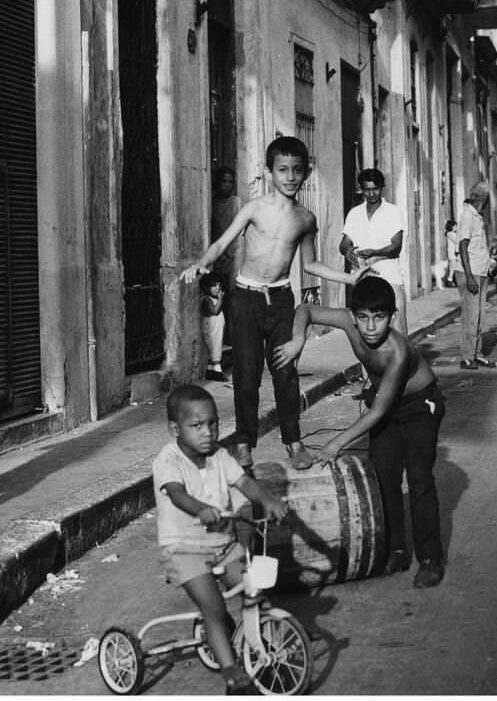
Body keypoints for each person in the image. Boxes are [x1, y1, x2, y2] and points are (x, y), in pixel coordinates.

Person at [181, 137, 365, 471]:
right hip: (245, 299)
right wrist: (201, 263)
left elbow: (309, 264)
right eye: (283, 170)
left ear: (305, 173)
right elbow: (223, 241)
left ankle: (294, 441)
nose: (290, 177)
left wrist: (348, 279)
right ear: (270, 172)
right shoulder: (254, 208)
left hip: (280, 300)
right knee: (247, 377)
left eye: (297, 170)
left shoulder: (306, 218)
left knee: (285, 373)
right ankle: (244, 443)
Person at [273, 275, 446, 589]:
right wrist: (298, 339)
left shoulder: (397, 350)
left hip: (419, 405)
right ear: (352, 316)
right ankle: (396, 550)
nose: (370, 327)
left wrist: (336, 444)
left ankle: (430, 559)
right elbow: (305, 309)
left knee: (419, 477)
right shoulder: (347, 321)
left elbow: (379, 411)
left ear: (392, 317)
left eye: (379, 318)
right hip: (385, 402)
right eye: (363, 318)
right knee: (384, 475)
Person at [153, 384, 289, 694]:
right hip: (184, 549)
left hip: (222, 545)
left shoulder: (219, 456)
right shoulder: (167, 461)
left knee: (251, 589)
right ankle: (232, 674)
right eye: (196, 426)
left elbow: (242, 481)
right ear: (175, 428)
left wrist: (267, 500)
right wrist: (200, 509)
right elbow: (176, 494)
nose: (207, 432)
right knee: (214, 609)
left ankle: (264, 646)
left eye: (212, 423)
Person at [339, 168, 407, 334]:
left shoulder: (393, 212)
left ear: (381, 188)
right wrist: (347, 252)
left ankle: (401, 359)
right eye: (367, 190)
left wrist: (374, 252)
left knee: (396, 324)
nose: (371, 194)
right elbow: (344, 243)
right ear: (361, 189)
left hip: (389, 276)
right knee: (367, 327)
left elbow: (396, 246)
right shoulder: (355, 214)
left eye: (375, 189)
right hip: (362, 277)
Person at [201, 165, 244, 381]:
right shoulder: (210, 201)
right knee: (215, 305)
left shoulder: (237, 203)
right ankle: (215, 357)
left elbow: (239, 231)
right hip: (216, 256)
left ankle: (235, 348)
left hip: (234, 255)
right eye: (223, 181)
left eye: (230, 182)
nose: (227, 185)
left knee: (234, 302)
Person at [452, 182, 496, 370]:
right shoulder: (468, 216)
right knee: (470, 316)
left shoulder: (476, 216)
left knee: (479, 316)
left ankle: (477, 354)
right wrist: (469, 276)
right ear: (483, 199)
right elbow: (462, 246)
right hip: (470, 272)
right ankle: (467, 357)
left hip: (480, 270)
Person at [442, 219, 458, 287]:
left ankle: (452, 280)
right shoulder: (450, 234)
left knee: (454, 267)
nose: (456, 227)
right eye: (455, 226)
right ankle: (450, 280)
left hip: (453, 253)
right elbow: (457, 240)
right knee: (453, 267)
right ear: (451, 227)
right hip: (452, 253)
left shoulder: (451, 234)